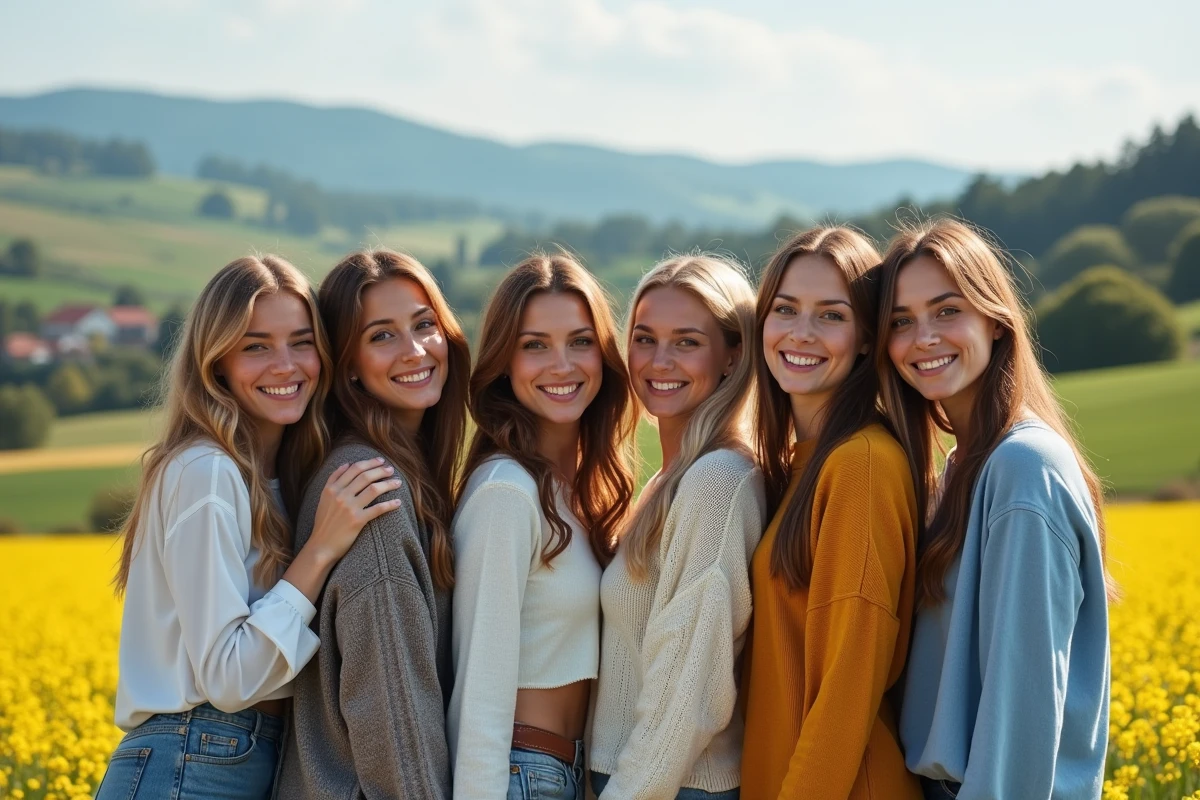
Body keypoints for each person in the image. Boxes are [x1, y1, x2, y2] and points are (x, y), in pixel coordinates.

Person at [96, 255, 394, 800]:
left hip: (242, 759)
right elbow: (229, 679)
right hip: (191, 760)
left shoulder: (277, 478)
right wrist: (320, 551)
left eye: (302, 342)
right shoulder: (205, 471)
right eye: (256, 346)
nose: (286, 365)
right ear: (217, 363)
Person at [881, 219, 1113, 800]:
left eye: (946, 310)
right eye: (901, 321)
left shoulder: (1024, 467)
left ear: (996, 320)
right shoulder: (962, 468)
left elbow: (1022, 704)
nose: (924, 337)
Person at [275, 249, 469, 799]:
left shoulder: (397, 473)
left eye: (424, 325)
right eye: (382, 335)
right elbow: (393, 711)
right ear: (349, 363)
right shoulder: (371, 491)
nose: (415, 350)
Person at [740, 227, 922, 800]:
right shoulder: (802, 465)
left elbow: (848, 683)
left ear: (868, 337)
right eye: (786, 309)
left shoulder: (861, 464)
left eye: (831, 315)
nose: (801, 332)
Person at [449, 252, 637, 800]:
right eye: (535, 345)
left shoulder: (578, 491)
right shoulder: (506, 492)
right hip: (519, 774)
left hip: (566, 773)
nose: (562, 365)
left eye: (580, 342)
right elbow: (479, 690)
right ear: (506, 363)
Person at [590, 253, 765, 800]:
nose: (659, 360)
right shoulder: (670, 480)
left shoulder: (717, 481)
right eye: (645, 338)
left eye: (687, 342)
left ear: (733, 355)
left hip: (672, 786)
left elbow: (691, 688)